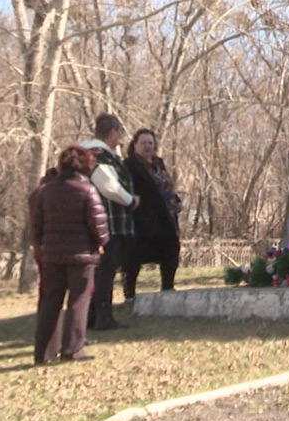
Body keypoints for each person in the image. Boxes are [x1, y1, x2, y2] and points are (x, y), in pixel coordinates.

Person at [30, 146, 108, 364]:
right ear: (86, 166)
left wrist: (41, 245)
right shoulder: (87, 190)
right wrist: (101, 242)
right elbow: (98, 223)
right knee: (79, 301)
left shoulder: (46, 191)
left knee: (50, 302)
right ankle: (72, 350)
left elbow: (37, 223)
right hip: (81, 255)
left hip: (53, 255)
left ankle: (43, 353)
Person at [80, 113, 138, 331]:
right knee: (105, 270)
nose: (119, 138)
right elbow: (109, 186)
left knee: (100, 271)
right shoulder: (99, 155)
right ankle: (103, 316)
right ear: (112, 132)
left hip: (102, 221)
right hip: (108, 222)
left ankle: (93, 314)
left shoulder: (92, 153)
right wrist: (130, 200)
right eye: (118, 133)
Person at [122, 128, 182, 300]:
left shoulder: (158, 164)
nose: (147, 146)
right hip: (142, 219)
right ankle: (130, 295)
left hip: (165, 218)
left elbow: (165, 187)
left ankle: (168, 289)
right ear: (134, 145)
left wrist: (176, 200)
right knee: (134, 257)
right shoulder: (129, 166)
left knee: (171, 250)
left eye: (150, 143)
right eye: (143, 143)